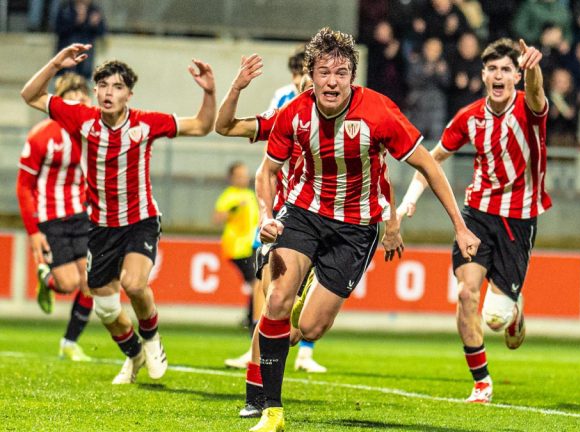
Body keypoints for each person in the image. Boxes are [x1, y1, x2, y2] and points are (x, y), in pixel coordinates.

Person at [249, 27, 478, 431]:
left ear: (352, 76)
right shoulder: (294, 114)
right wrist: (266, 215)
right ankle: (270, 409)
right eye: (323, 72)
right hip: (302, 213)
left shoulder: (379, 112)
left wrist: (459, 227)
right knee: (278, 297)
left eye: (341, 73)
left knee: (310, 328)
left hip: (354, 227)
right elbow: (267, 171)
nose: (332, 81)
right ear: (311, 76)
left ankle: (293, 320)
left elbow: (428, 165)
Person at [216, 53, 405, 421]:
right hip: (290, 223)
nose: (316, 87)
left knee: (305, 325)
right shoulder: (288, 116)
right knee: (273, 303)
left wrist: (392, 220)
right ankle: (257, 396)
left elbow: (378, 178)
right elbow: (225, 127)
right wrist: (236, 87)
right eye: (310, 80)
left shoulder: (353, 120)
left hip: (340, 226)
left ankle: (277, 362)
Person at [21, 43, 217, 384]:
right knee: (107, 309)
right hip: (100, 227)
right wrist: (56, 63)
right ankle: (135, 356)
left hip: (140, 220)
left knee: (134, 283)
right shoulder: (80, 119)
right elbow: (30, 95)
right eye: (104, 86)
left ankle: (153, 340)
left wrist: (210, 92)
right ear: (95, 91)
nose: (109, 93)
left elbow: (201, 125)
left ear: (129, 94)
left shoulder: (145, 124)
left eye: (117, 87)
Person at [398, 38, 550, 404]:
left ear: (516, 75)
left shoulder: (530, 109)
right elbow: (431, 160)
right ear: (484, 75)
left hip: (519, 218)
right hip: (477, 215)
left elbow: (537, 90)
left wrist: (534, 69)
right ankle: (481, 382)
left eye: (506, 70)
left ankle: (513, 312)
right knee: (466, 293)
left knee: (496, 320)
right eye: (493, 69)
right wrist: (408, 201)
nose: (499, 75)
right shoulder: (469, 117)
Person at [16, 72, 94, 362]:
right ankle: (47, 278)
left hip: (82, 217)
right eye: (72, 96)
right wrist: (33, 230)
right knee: (68, 283)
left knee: (93, 282)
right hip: (51, 219)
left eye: (83, 95)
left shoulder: (92, 135)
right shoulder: (42, 135)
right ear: (58, 103)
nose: (80, 101)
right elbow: (23, 186)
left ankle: (69, 342)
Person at [213, 161, 260, 343]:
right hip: (237, 248)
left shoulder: (250, 194)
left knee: (258, 283)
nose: (244, 178)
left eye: (245, 174)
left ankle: (249, 318)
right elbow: (217, 218)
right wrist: (233, 208)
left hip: (251, 246)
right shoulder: (229, 196)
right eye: (239, 175)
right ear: (231, 177)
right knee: (257, 283)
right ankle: (251, 320)